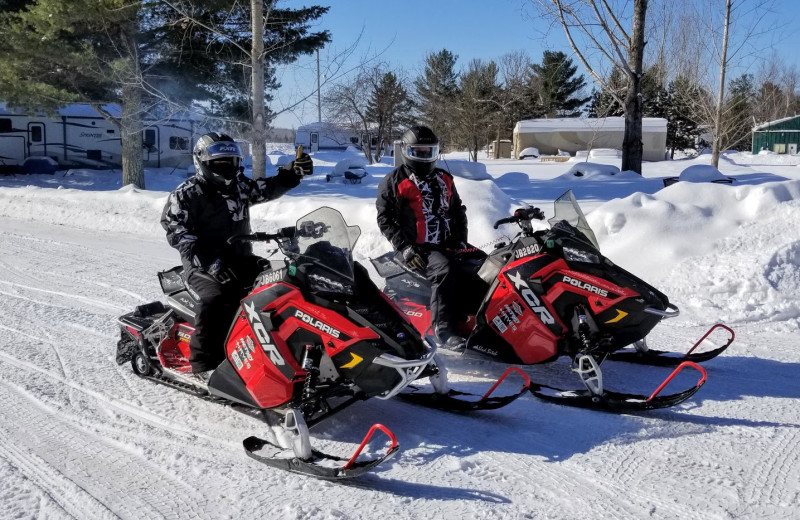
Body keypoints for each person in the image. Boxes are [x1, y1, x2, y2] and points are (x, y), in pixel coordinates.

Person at [161, 132, 313, 382]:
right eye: (220, 163)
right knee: (216, 299)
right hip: (202, 265)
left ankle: (280, 348)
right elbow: (179, 234)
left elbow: (266, 189)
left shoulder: (239, 187)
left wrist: (292, 172)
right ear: (203, 162)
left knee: (282, 284)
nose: (227, 168)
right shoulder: (186, 194)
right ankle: (203, 363)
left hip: (240, 258)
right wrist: (209, 262)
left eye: (231, 162)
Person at [376, 125, 473, 350]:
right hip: (419, 247)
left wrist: (462, 240)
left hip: (448, 242)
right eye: (419, 151)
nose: (424, 156)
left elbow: (458, 211)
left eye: (429, 151)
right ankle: (444, 329)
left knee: (482, 263)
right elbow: (385, 220)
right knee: (445, 270)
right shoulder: (394, 181)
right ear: (407, 151)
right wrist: (406, 248)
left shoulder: (444, 178)